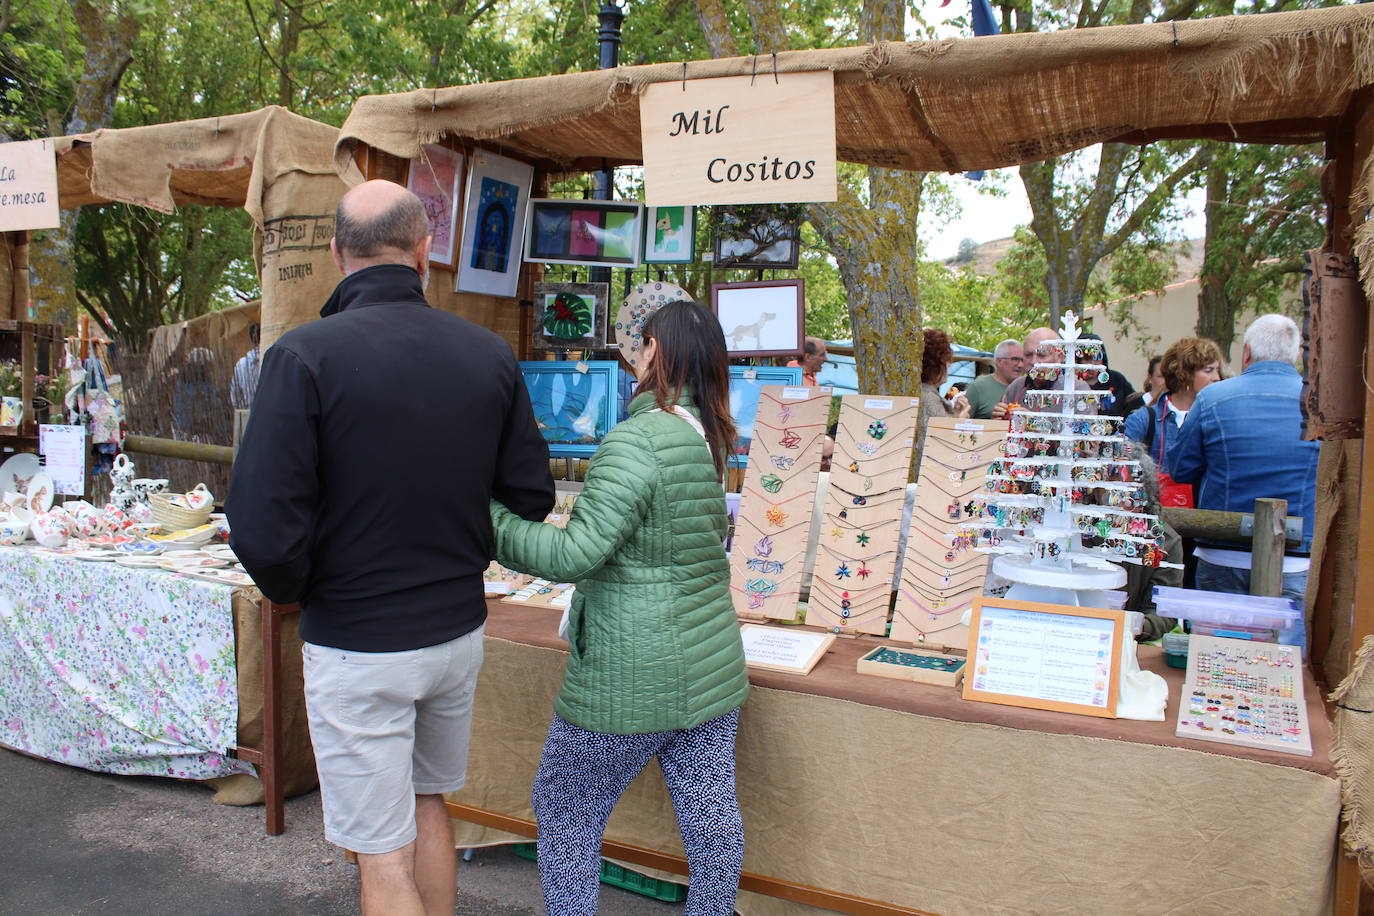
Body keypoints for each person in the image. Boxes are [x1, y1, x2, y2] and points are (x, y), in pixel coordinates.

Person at [226, 180, 554, 916]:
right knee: (428, 803)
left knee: (379, 852)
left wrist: (310, 587)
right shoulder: (487, 353)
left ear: (339, 256)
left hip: (358, 640)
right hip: (453, 630)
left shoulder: (302, 355)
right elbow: (529, 498)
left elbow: (259, 521)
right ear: (424, 252)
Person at [489, 299, 749, 916]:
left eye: (642, 340)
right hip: (707, 664)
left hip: (631, 671)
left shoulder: (637, 440)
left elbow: (575, 553)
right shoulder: (705, 436)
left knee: (565, 810)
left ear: (656, 351)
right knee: (711, 820)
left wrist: (487, 518)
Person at [1167, 313, 1319, 649]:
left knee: (1217, 665)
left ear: (1246, 352)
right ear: (1293, 355)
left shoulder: (1213, 398)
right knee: (1284, 672)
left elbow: (1179, 467)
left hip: (1223, 554)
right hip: (1296, 558)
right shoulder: (1317, 402)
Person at [1123, 337, 1223, 484]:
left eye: (1217, 370)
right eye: (1208, 370)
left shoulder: (1217, 418)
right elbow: (1119, 462)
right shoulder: (1144, 418)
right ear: (1184, 374)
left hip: (1201, 506)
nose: (1217, 378)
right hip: (1156, 503)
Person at [993, 326, 1057, 418]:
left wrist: (1032, 423)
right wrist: (999, 419)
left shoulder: (1075, 389)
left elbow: (1081, 429)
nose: (1034, 362)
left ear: (1060, 357)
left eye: (1042, 355)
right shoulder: (1016, 386)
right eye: (1028, 355)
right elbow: (1004, 429)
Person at [1077, 333, 1136, 416]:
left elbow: (1134, 404)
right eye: (1087, 359)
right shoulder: (1070, 383)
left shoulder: (1117, 380)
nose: (1092, 364)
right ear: (1077, 360)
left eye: (1097, 358)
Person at [920, 328, 970, 423]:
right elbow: (940, 432)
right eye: (946, 360)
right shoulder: (928, 396)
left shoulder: (926, 393)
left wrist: (956, 412)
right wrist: (960, 421)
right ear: (936, 364)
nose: (950, 365)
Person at [964, 338, 1023, 419]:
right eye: (1015, 359)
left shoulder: (1027, 388)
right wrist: (993, 423)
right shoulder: (978, 387)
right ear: (999, 361)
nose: (1020, 365)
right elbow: (962, 424)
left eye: (1022, 360)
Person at [230, 322, 262, 410]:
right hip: (269, 412)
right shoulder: (271, 360)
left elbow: (234, 395)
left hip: (248, 412)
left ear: (252, 340)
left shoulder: (241, 364)